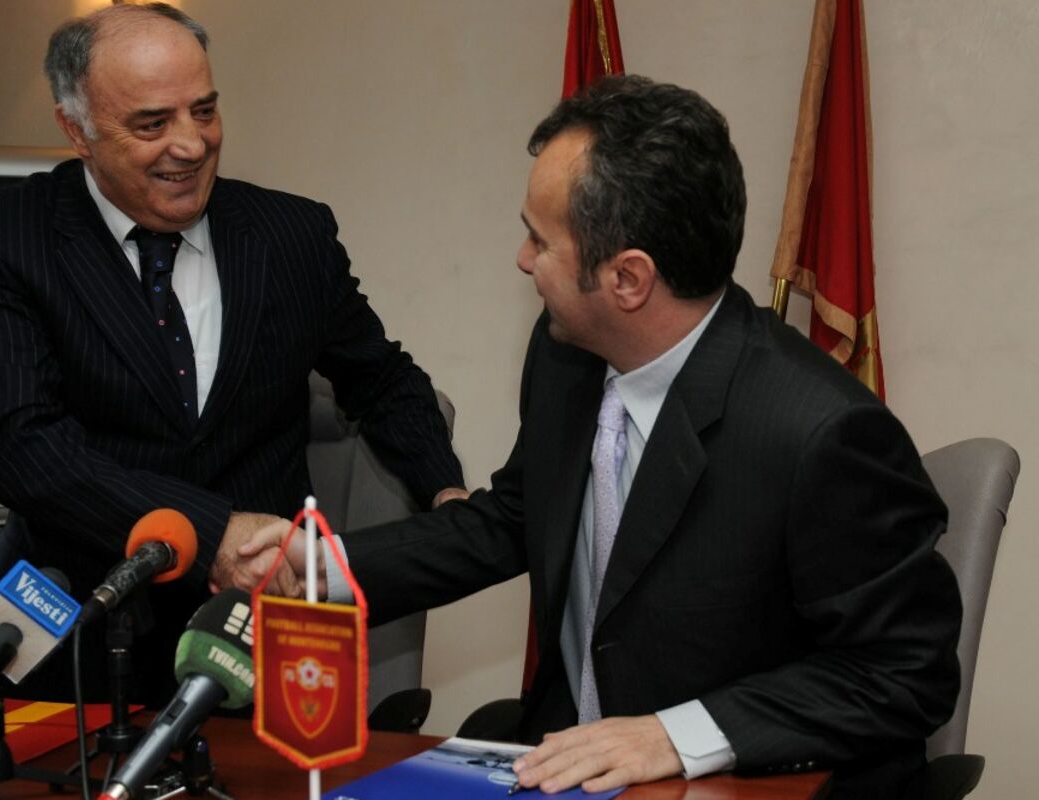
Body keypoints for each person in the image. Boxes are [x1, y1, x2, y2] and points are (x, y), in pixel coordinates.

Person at [244, 75, 962, 799]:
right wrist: (323, 564)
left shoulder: (821, 431)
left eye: (540, 239)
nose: (522, 258)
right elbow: (515, 518)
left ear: (628, 278)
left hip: (734, 783)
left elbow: (905, 672)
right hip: (561, 766)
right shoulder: (568, 356)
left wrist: (673, 735)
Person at [0, 2, 465, 703]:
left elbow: (383, 379)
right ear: (77, 130)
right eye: (152, 124)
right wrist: (212, 532)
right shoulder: (1, 237)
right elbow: (15, 443)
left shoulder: (291, 235)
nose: (190, 145)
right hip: (77, 623)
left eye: (205, 111)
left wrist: (447, 491)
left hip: (252, 635)